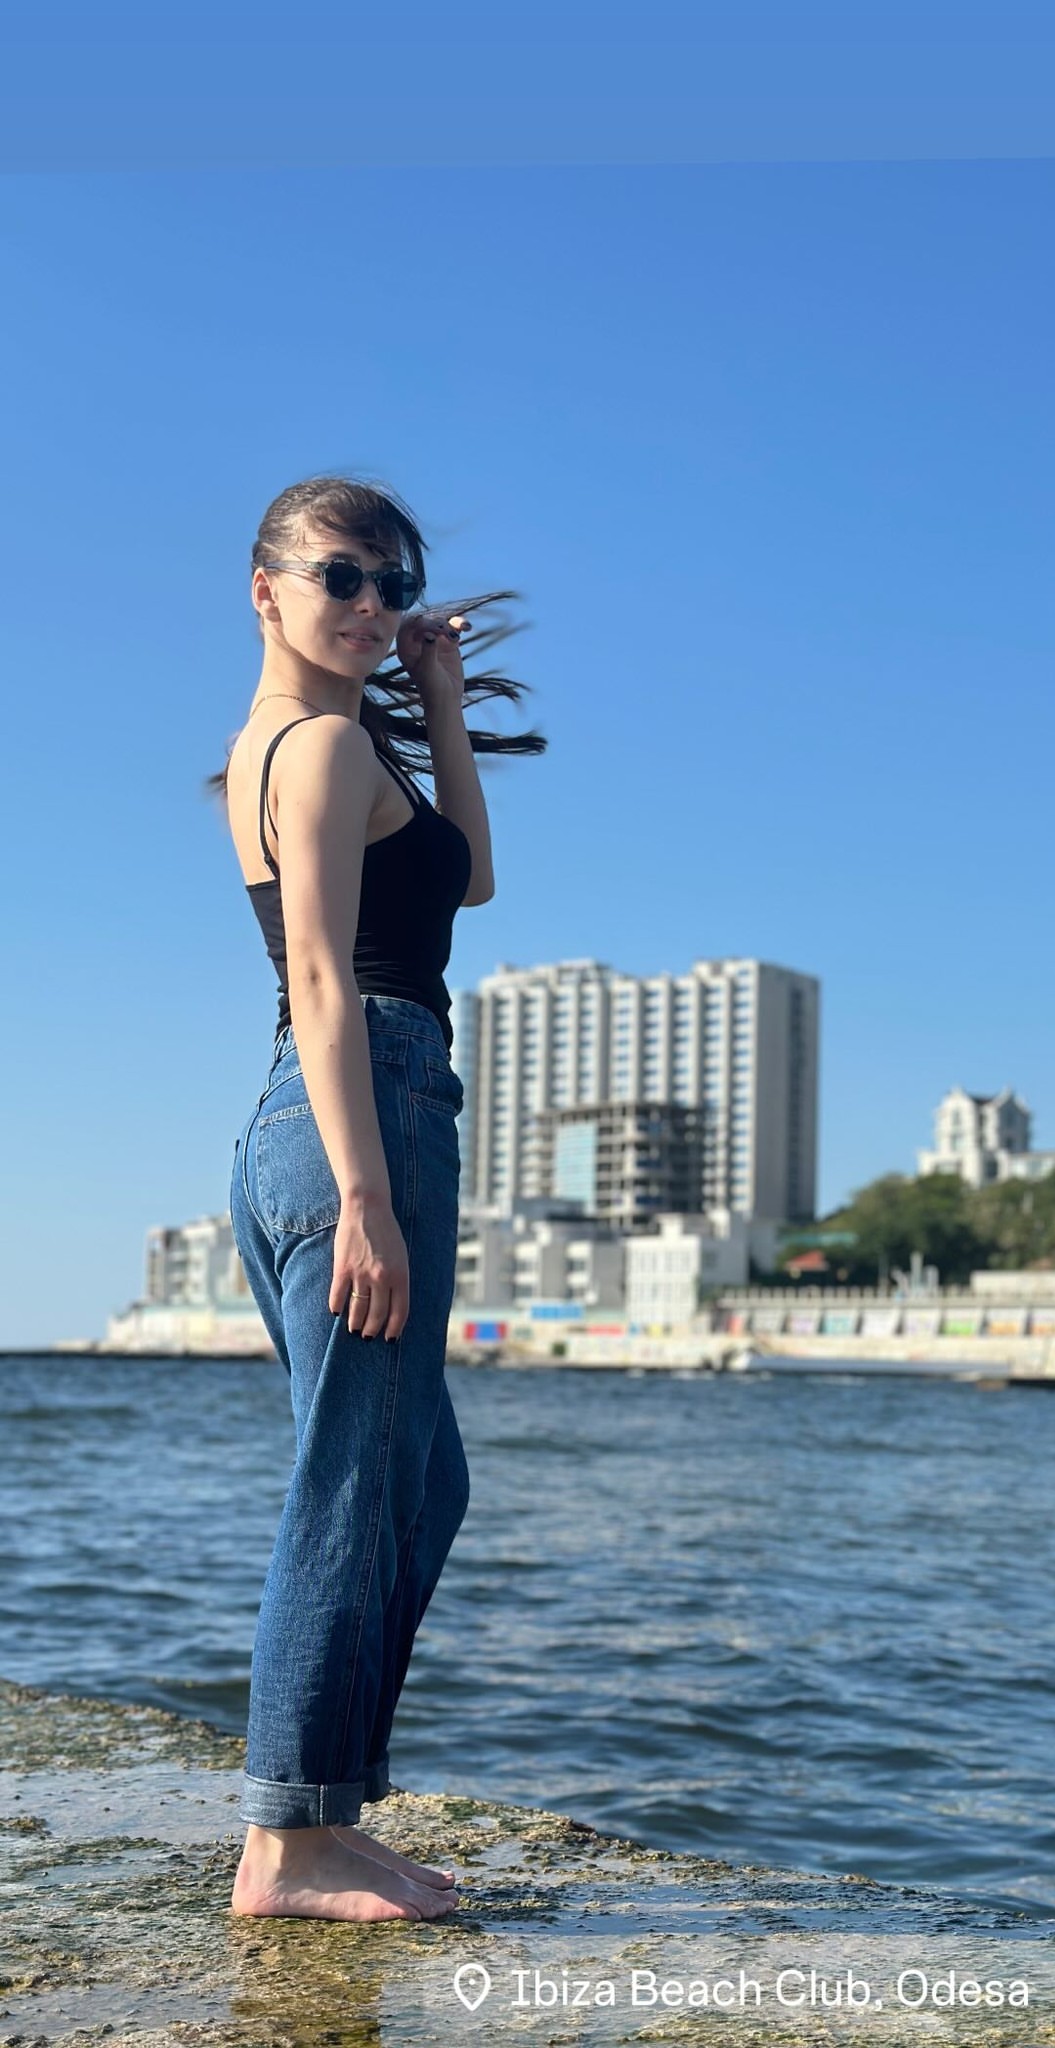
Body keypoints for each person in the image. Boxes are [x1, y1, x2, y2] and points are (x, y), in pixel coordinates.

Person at [216, 474, 537, 1924]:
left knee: (418, 1479)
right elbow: (324, 975)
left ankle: (323, 1815)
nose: (369, 604)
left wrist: (442, 699)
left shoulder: (308, 747)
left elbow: (469, 884)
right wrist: (363, 1193)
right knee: (352, 1481)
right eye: (340, 576)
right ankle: (290, 1842)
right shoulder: (320, 748)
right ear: (266, 588)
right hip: (366, 1104)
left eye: (392, 584)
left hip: (329, 1109)